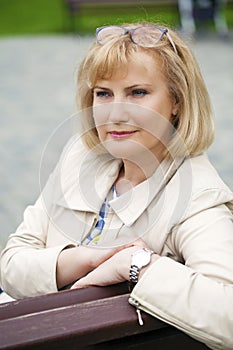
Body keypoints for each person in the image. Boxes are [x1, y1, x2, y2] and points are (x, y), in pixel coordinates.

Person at [0, 22, 233, 349]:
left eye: (138, 92)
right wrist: (89, 259)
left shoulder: (198, 196)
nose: (116, 113)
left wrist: (136, 264)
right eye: (103, 94)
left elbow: (228, 314)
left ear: (177, 102)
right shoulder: (81, 157)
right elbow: (10, 264)